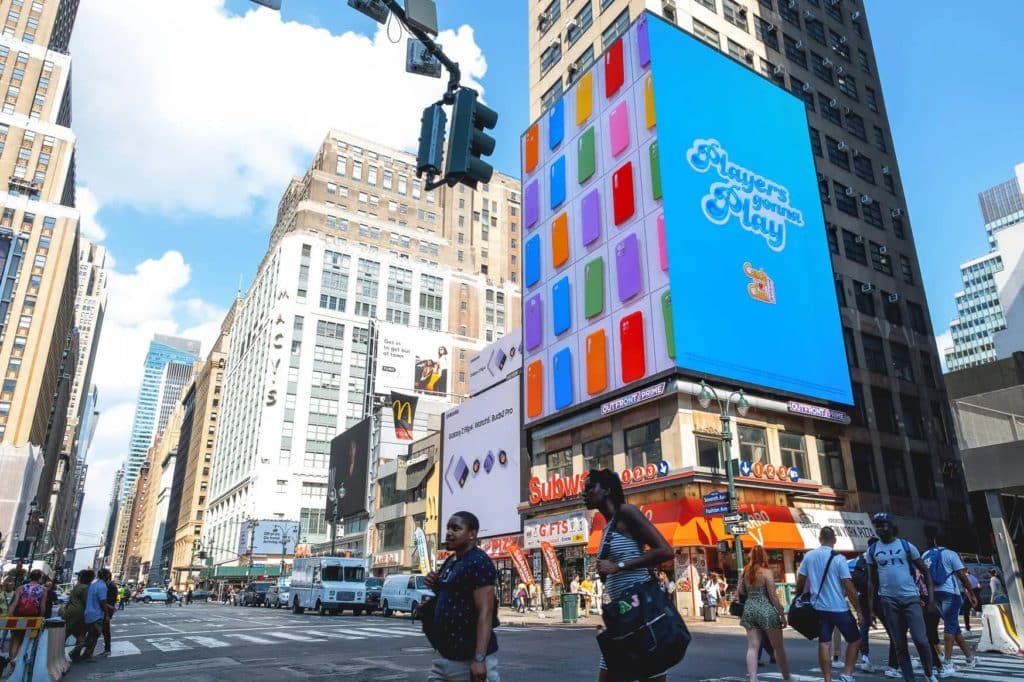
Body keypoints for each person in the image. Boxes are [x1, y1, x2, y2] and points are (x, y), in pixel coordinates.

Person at [583, 468, 676, 682]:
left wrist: (619, 566)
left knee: (651, 675)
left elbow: (665, 550)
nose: (584, 492)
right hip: (622, 615)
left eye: (590, 488)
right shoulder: (607, 526)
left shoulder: (627, 513)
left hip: (640, 612)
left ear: (606, 490)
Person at [424, 511, 499, 682]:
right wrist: (434, 583)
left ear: (472, 534)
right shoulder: (452, 560)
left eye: (456, 528)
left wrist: (479, 659)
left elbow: (485, 613)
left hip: (468, 661)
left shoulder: (478, 562)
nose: (449, 532)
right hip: (444, 656)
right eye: (448, 528)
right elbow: (453, 596)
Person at [865, 512, 937, 682]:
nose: (879, 528)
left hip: (911, 598)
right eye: (877, 525)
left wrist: (930, 600)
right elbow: (872, 582)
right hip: (888, 600)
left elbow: (926, 572)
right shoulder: (872, 550)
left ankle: (929, 673)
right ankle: (908, 678)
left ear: (891, 526)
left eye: (882, 525)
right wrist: (870, 609)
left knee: (921, 639)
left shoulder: (906, 546)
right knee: (899, 644)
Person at [796, 526, 863, 682]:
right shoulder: (839, 559)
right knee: (855, 639)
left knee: (824, 643)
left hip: (818, 607)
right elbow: (848, 585)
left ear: (820, 539)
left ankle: (827, 679)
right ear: (834, 540)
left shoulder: (809, 556)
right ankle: (847, 674)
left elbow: (801, 580)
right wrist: (858, 610)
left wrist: (798, 596)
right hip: (838, 607)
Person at [922, 535, 979, 676]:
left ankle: (969, 658)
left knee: (953, 627)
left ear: (935, 542)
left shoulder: (926, 554)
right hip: (950, 594)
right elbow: (962, 575)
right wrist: (971, 594)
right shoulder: (951, 554)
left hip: (933, 594)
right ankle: (947, 663)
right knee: (950, 626)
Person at [738, 545, 791, 682]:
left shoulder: (744, 572)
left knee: (752, 646)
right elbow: (773, 596)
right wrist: (781, 614)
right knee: (778, 647)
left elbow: (740, 592)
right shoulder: (766, 573)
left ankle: (753, 679)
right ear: (764, 557)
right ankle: (787, 678)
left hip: (749, 609)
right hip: (765, 609)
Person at [4, 568, 49, 677]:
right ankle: (21, 665)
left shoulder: (21, 588)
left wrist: (10, 616)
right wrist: (41, 618)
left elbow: (14, 603)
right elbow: (42, 606)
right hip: (33, 618)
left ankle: (12, 663)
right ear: (40, 578)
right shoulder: (43, 590)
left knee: (16, 639)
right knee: (28, 640)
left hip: (20, 617)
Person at [848, 537, 878, 672]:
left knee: (864, 627)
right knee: (892, 627)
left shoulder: (860, 559)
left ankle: (865, 657)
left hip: (863, 596)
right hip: (879, 596)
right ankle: (895, 663)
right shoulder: (877, 557)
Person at [72, 571, 109, 661]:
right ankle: (79, 653)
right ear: (107, 576)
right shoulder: (102, 586)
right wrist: (107, 614)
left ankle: (83, 654)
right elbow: (102, 601)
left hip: (88, 613)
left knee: (91, 635)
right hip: (96, 614)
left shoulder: (93, 585)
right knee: (94, 635)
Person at [64, 570, 93, 662]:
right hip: (80, 613)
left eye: (79, 576)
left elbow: (69, 600)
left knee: (68, 632)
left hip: (70, 612)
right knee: (81, 634)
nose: (78, 577)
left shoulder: (77, 586)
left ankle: (59, 652)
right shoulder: (86, 588)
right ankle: (74, 653)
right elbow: (87, 602)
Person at [100, 569, 118, 655]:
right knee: (103, 630)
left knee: (105, 630)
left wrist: (108, 612)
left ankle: (107, 649)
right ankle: (107, 649)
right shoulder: (106, 585)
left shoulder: (111, 586)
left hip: (106, 611)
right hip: (104, 611)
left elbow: (110, 601)